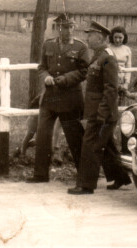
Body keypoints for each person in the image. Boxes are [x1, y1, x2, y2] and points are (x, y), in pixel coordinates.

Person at [67, 21, 131, 195]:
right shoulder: (98, 56)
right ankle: (121, 177)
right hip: (97, 110)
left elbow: (111, 89)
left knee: (91, 145)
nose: (87, 38)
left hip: (102, 112)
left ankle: (86, 185)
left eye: (90, 35)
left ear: (100, 37)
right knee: (107, 145)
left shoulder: (108, 58)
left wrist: (101, 114)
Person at [26, 13, 89, 183]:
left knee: (74, 137)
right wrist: (45, 75)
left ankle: (84, 176)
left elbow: (84, 71)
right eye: (63, 27)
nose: (66, 30)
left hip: (70, 98)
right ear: (57, 28)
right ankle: (40, 175)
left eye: (70, 26)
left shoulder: (80, 47)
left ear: (74, 27)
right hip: (50, 98)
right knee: (43, 135)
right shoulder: (48, 45)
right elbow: (42, 67)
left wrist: (66, 79)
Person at [14, 95, 64, 165]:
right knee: (29, 135)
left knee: (40, 140)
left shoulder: (56, 98)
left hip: (43, 119)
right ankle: (22, 154)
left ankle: (23, 147)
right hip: (34, 117)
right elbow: (32, 104)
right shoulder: (43, 95)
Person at [108, 26, 132, 105]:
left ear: (124, 37)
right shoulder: (107, 48)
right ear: (112, 37)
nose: (117, 40)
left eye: (120, 37)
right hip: (109, 79)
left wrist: (126, 83)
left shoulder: (127, 49)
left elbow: (129, 67)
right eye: (115, 37)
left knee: (121, 104)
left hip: (122, 80)